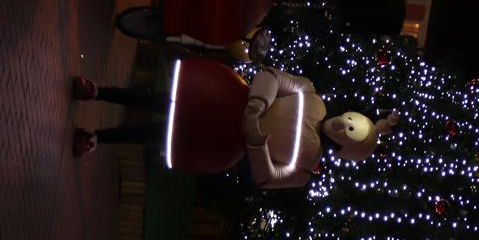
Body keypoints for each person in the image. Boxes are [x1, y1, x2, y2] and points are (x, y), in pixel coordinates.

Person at [71, 65, 398, 188]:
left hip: (223, 141)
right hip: (223, 99)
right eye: (351, 122)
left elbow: (266, 177)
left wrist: (256, 143)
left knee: (157, 134)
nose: (343, 125)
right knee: (158, 101)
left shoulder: (305, 168)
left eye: (348, 133)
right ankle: (100, 92)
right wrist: (258, 104)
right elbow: (272, 76)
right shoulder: (311, 96)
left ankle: (99, 137)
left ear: (344, 149)